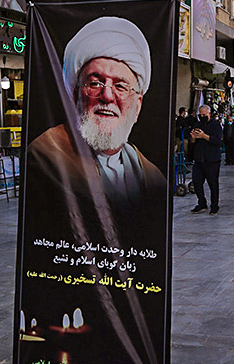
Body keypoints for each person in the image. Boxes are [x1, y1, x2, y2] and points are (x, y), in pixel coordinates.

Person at [28, 16, 168, 246]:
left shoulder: (152, 177)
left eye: (121, 86)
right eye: (95, 83)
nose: (108, 96)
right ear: (74, 97)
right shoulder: (45, 158)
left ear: (137, 106)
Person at [190, 104, 222, 214]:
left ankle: (214, 205)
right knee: (197, 182)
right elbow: (193, 143)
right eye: (200, 114)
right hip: (199, 159)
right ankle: (201, 203)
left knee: (213, 184)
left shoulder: (215, 125)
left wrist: (204, 136)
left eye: (204, 114)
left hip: (212, 160)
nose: (202, 116)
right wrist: (193, 138)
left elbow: (218, 141)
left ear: (209, 114)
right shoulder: (197, 124)